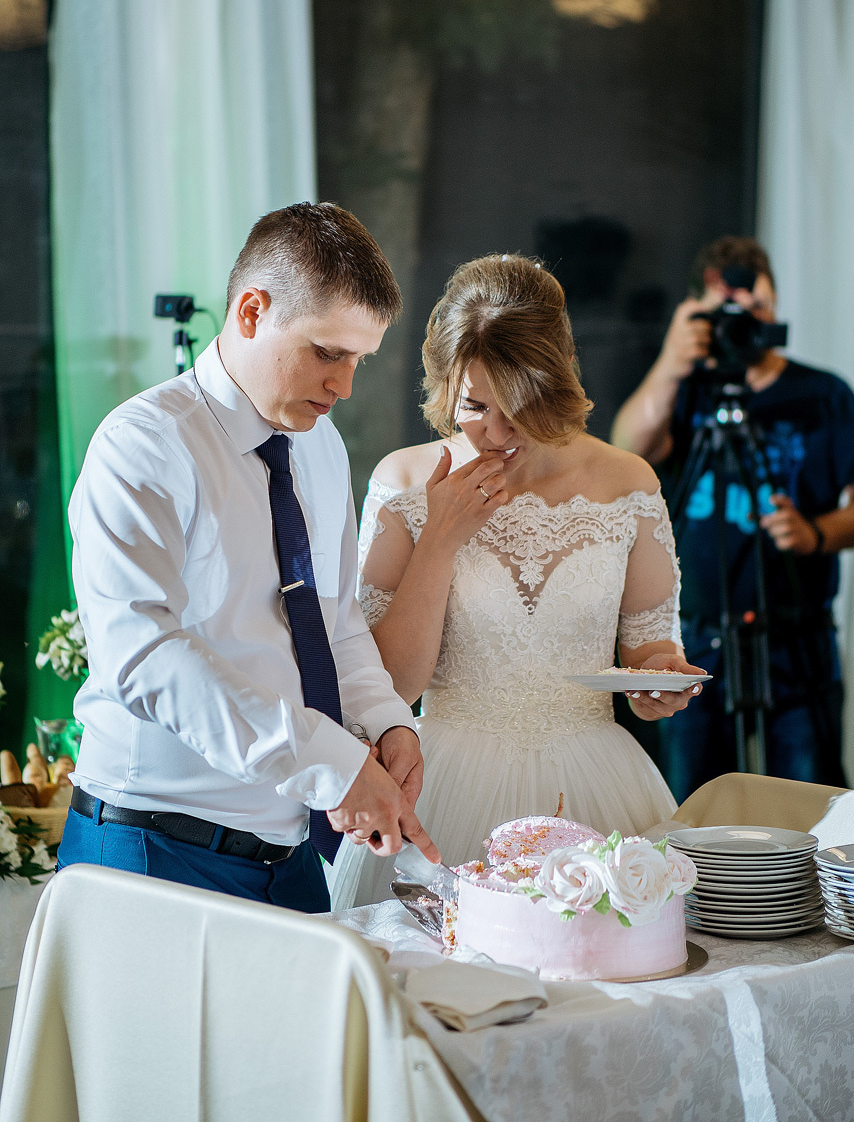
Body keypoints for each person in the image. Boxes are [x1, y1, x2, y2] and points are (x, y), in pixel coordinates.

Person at [56, 202, 438, 913]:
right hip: (151, 850)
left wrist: (387, 722)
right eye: (327, 352)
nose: (344, 386)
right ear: (253, 311)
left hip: (292, 857)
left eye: (359, 359)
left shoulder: (321, 447)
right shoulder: (143, 445)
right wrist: (331, 767)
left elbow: (333, 618)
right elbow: (141, 654)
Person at [331, 254, 704, 910]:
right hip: (445, 781)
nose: (499, 434)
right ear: (447, 387)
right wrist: (441, 537)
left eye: (522, 407)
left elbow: (648, 654)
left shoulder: (629, 484)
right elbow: (390, 689)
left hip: (598, 780)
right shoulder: (405, 484)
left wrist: (657, 681)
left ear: (555, 385)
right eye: (476, 407)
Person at [611, 235, 854, 799]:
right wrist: (674, 361)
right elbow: (629, 445)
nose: (740, 326)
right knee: (695, 808)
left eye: (754, 309)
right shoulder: (684, 392)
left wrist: (816, 534)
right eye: (725, 315)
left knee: (811, 806)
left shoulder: (824, 394)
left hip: (798, 636)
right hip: (695, 641)